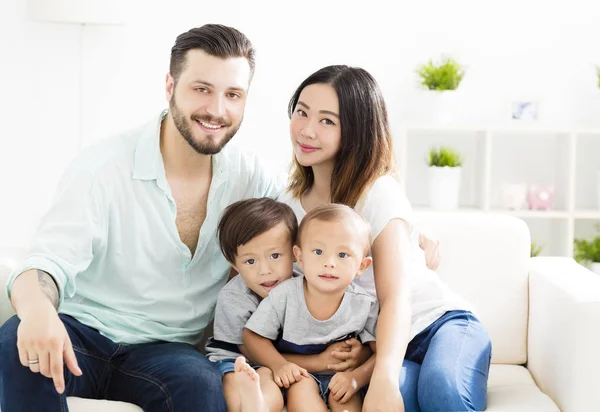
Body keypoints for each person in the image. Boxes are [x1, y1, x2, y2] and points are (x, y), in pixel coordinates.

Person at [0, 24, 281, 412]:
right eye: (201, 89)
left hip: (169, 352)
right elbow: (46, 263)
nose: (217, 110)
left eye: (233, 94)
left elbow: (300, 247)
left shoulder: (254, 178)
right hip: (83, 333)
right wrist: (36, 312)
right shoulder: (103, 166)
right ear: (170, 87)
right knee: (17, 342)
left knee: (200, 385)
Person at [277, 65, 492, 411]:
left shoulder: (377, 193)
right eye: (302, 112)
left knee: (443, 389)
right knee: (399, 401)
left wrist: (385, 379)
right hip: (381, 347)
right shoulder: (287, 206)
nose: (307, 130)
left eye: (327, 121)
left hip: (437, 324)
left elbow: (395, 299)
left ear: (356, 132)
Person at [241, 204, 379, 412]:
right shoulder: (285, 295)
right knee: (302, 389)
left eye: (343, 255)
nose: (329, 262)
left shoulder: (363, 303)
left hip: (343, 379)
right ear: (300, 257)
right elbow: (252, 336)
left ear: (361, 266)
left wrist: (356, 378)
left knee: (345, 403)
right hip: (300, 375)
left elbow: (381, 352)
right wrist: (279, 366)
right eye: (318, 251)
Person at [205, 197, 299, 412]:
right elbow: (248, 349)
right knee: (234, 380)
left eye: (275, 255)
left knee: (267, 380)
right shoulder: (234, 296)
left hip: (274, 363)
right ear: (234, 265)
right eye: (250, 261)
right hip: (235, 357)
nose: (265, 270)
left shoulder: (304, 284)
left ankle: (258, 405)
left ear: (295, 253)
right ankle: (247, 402)